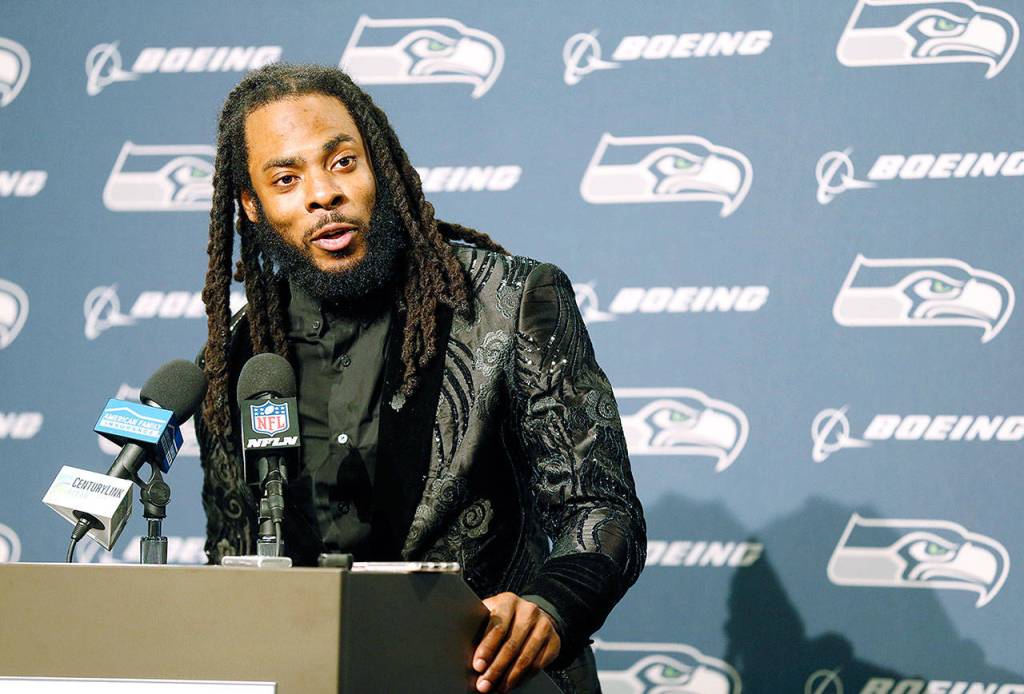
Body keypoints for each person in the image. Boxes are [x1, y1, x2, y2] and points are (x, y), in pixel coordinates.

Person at [195, 63, 645, 694]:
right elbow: (233, 551)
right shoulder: (240, 356)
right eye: (287, 178)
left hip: (491, 679)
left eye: (342, 162)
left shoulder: (506, 300)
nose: (323, 193)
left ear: (377, 163)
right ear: (253, 205)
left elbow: (602, 510)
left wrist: (548, 607)